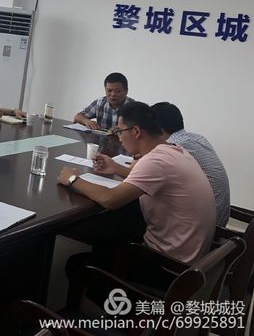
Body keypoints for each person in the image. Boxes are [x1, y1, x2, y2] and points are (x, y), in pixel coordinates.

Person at [58, 101, 216, 264]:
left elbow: (110, 199)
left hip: (168, 264)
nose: (119, 138)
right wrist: (116, 168)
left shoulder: (156, 160)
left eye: (120, 131)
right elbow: (152, 179)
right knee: (118, 224)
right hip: (193, 257)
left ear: (136, 131)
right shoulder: (176, 150)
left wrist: (72, 179)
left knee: (77, 262)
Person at [152, 102, 231, 227]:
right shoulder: (197, 138)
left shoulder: (175, 145)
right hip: (219, 215)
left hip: (204, 223)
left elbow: (149, 174)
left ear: (156, 127)